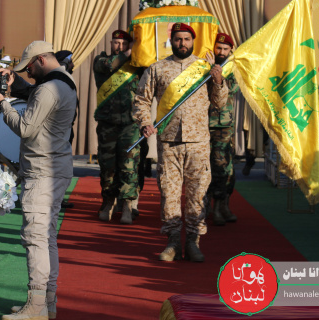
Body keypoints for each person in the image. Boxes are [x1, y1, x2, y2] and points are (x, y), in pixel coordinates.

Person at [0, 41, 76, 320]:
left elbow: (25, 128)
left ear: (40, 60)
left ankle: (36, 307)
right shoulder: (65, 81)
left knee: (35, 238)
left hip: (43, 171)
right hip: (55, 167)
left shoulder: (49, 88)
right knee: (46, 238)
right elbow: (38, 94)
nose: (29, 73)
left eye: (29, 68)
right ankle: (47, 303)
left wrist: (2, 102)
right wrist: (18, 83)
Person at [132, 23, 227, 263]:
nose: (182, 43)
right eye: (178, 39)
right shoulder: (157, 68)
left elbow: (219, 103)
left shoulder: (204, 68)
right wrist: (144, 122)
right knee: (169, 193)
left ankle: (193, 241)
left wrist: (218, 81)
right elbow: (141, 99)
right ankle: (173, 242)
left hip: (198, 141)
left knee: (197, 194)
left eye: (186, 39)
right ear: (171, 41)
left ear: (192, 41)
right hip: (169, 141)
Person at [93, 30, 142, 224]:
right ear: (110, 43)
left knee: (129, 165)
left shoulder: (137, 66)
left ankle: (128, 205)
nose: (119, 46)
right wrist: (129, 52)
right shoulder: (101, 60)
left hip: (130, 124)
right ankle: (108, 201)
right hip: (107, 124)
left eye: (123, 43)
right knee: (108, 166)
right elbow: (110, 65)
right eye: (116, 42)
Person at [207, 33, 239, 226]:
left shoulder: (233, 69)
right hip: (203, 124)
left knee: (223, 166)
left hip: (223, 126)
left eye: (225, 49)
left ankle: (221, 205)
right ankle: (207, 206)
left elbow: (231, 89)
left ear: (230, 51)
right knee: (205, 167)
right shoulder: (204, 65)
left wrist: (218, 74)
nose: (221, 52)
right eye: (218, 48)